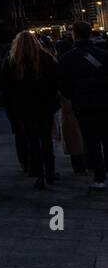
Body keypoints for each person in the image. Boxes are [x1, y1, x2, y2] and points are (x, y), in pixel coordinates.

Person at [0, 31, 61, 189]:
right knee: (46, 139)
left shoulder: (11, 62)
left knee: (32, 140)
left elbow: (4, 88)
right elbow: (56, 82)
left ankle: (38, 174)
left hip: (23, 108)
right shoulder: (46, 59)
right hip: (44, 106)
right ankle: (50, 172)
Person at [56, 21, 108, 191]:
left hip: (83, 105)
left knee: (91, 141)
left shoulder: (66, 59)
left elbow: (63, 85)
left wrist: (74, 96)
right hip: (105, 101)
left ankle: (99, 177)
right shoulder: (103, 54)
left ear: (74, 35)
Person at [53, 38, 86, 175]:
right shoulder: (81, 59)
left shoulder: (60, 62)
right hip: (84, 98)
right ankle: (90, 161)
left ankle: (78, 165)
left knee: (72, 135)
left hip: (68, 100)